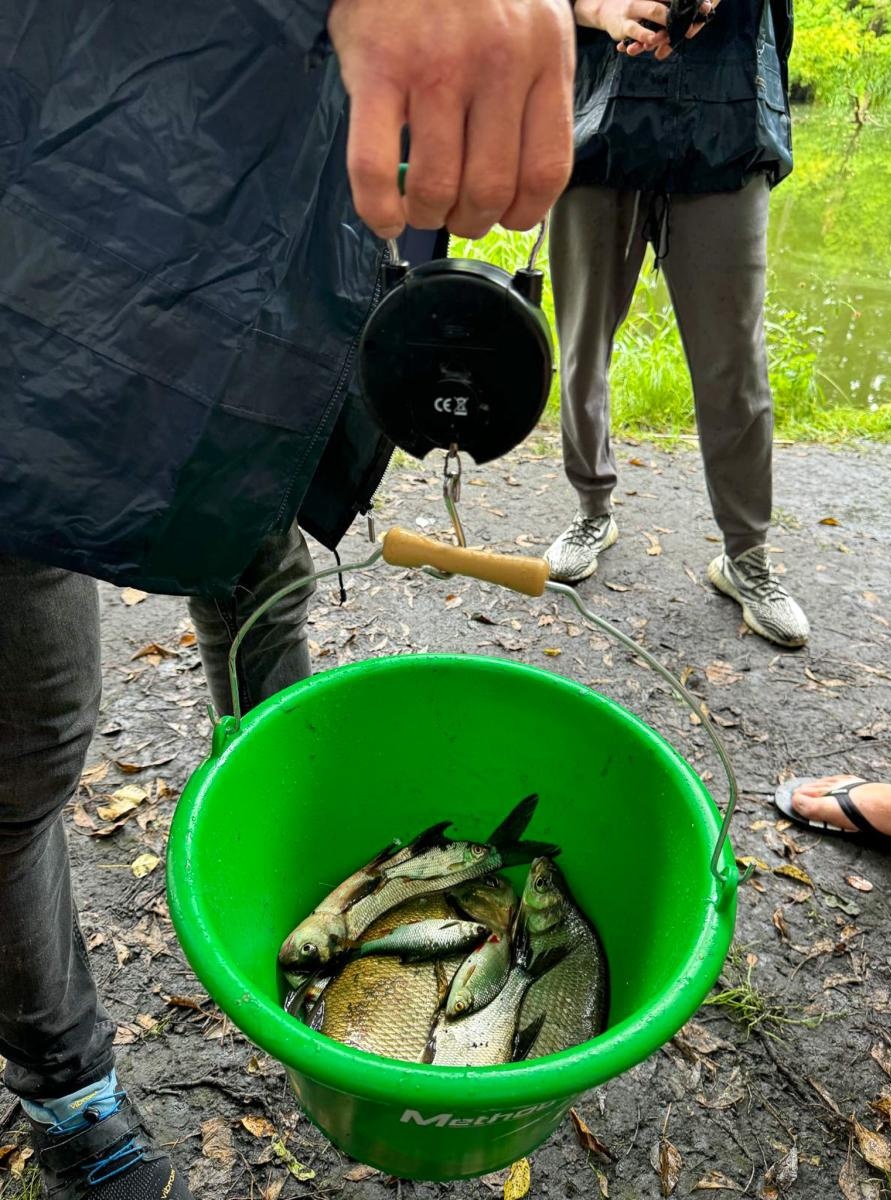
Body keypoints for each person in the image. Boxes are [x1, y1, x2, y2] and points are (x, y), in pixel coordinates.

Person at [0, 2, 576, 1196]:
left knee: (259, 595)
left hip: (253, 282)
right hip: (27, 263)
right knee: (19, 757)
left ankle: (306, 875)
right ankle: (68, 1085)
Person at [543, 0, 811, 650]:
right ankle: (592, 513)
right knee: (582, 345)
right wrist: (600, 9)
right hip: (598, 125)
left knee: (735, 364)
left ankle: (745, 558)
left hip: (729, 123)